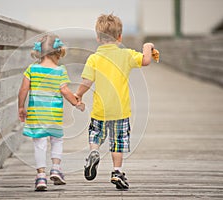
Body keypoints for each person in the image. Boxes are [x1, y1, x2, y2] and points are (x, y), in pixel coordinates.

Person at [75, 14, 159, 190]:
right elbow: (146, 61)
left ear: (98, 38)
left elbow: (86, 82)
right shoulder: (126, 55)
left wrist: (78, 95)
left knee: (95, 135)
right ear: (120, 37)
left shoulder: (94, 59)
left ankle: (94, 152)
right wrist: (147, 46)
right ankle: (117, 172)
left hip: (100, 110)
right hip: (120, 111)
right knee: (118, 142)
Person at [18, 34, 85, 191]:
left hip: (36, 114)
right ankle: (56, 168)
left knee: (39, 143)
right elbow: (65, 91)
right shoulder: (60, 71)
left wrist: (21, 107)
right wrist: (76, 103)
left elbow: (23, 90)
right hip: (54, 116)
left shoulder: (31, 69)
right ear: (57, 53)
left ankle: (41, 176)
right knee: (57, 140)